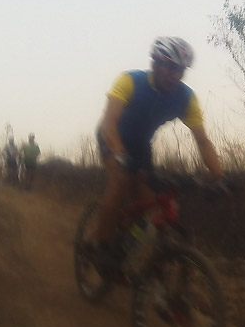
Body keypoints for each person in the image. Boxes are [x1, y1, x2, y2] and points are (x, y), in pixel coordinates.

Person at [89, 36, 226, 269]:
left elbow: (202, 141)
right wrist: (120, 155)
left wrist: (219, 176)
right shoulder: (131, 81)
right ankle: (100, 246)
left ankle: (125, 246)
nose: (175, 75)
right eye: (170, 67)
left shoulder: (185, 98)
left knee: (148, 206)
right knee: (121, 179)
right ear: (154, 64)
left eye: (180, 70)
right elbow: (110, 122)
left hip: (141, 146)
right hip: (112, 136)